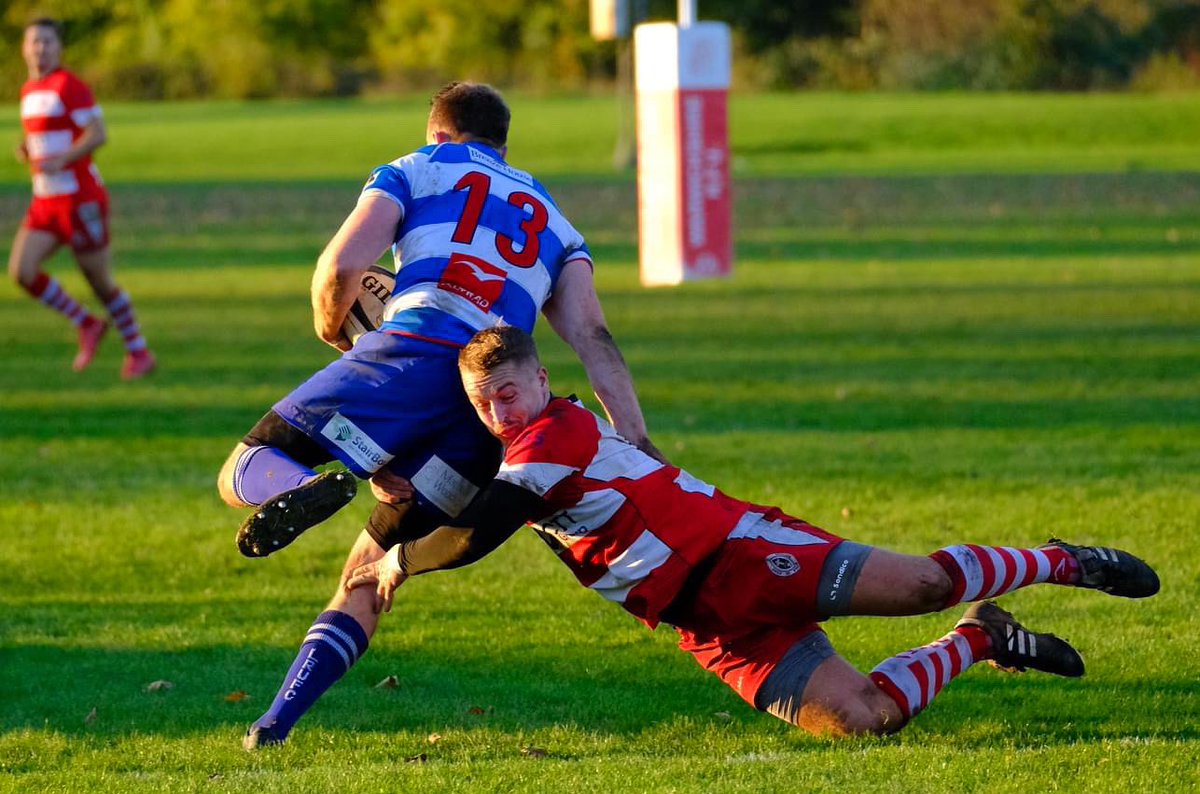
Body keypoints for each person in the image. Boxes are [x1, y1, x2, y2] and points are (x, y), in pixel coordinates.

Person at [343, 325, 1161, 738]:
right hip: (704, 620)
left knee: (924, 583)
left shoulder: (550, 434)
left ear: (543, 381)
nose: (500, 411)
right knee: (863, 720)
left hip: (739, 550)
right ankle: (984, 639)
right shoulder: (507, 452)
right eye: (486, 403)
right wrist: (394, 485)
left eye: (511, 392)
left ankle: (1061, 560)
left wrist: (401, 559)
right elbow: (463, 502)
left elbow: (482, 528)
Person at [221, 83, 660, 748]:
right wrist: (639, 443)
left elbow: (340, 268)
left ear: (438, 134)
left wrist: (339, 339)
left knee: (243, 468)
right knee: (370, 568)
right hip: (489, 414)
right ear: (504, 147)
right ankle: (274, 722)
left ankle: (306, 486)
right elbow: (594, 338)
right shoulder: (555, 220)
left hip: (410, 353)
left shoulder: (414, 168)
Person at [8, 18, 155, 380]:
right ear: (24, 49)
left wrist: (64, 159)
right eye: (34, 42)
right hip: (45, 203)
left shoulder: (69, 86)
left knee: (99, 282)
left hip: (80, 200)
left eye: (47, 42)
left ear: (59, 48)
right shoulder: (29, 89)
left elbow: (97, 134)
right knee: (22, 271)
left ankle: (139, 352)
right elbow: (53, 134)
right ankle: (86, 323)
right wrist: (30, 149)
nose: (40, 48)